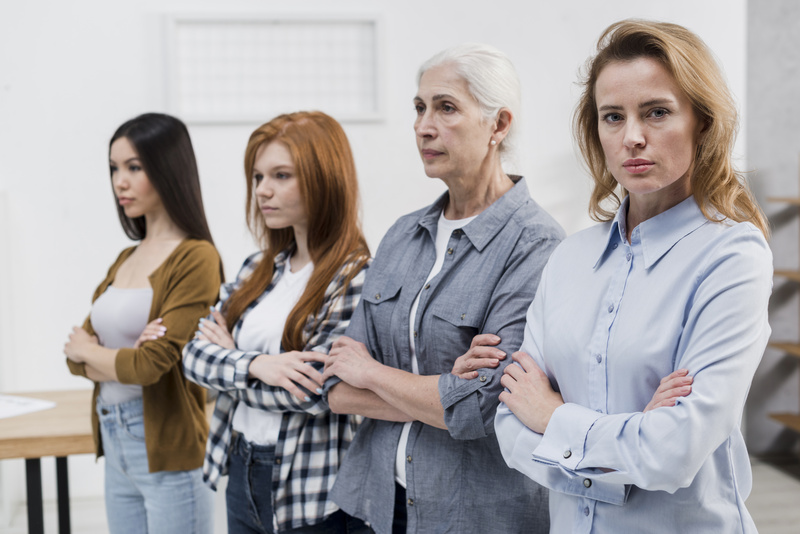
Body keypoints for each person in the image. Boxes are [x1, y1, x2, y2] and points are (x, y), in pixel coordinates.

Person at [494, 19, 772, 533]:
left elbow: (674, 452)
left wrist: (553, 419)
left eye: (657, 113)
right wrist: (633, 435)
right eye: (613, 117)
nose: (633, 137)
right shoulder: (569, 259)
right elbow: (511, 424)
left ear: (702, 123)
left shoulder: (732, 255)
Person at [321, 44, 564, 534]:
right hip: (374, 503)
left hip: (471, 515)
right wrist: (440, 393)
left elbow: (483, 406)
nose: (423, 126)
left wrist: (372, 372)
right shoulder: (402, 234)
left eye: (446, 107)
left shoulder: (536, 244)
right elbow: (337, 388)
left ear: (498, 125)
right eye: (419, 107)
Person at [182, 111, 371, 534]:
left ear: (324, 178)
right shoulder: (258, 268)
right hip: (241, 463)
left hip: (308, 487)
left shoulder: (356, 276)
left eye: (281, 175)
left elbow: (314, 391)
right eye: (257, 177)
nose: (263, 191)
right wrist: (256, 365)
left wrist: (230, 358)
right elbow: (192, 356)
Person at [64, 112, 222, 534]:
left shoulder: (196, 257)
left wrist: (94, 352)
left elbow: (151, 366)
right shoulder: (125, 258)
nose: (121, 181)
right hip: (114, 440)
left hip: (166, 446)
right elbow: (72, 357)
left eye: (134, 167)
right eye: (115, 168)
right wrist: (112, 356)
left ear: (168, 168)